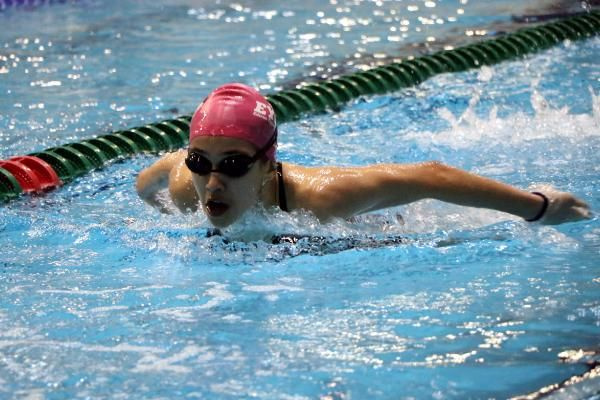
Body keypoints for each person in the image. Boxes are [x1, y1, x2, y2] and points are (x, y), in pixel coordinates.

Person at [136, 83, 591, 228]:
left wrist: (540, 207)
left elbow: (431, 176)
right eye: (200, 161)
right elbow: (145, 184)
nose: (212, 181)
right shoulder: (183, 186)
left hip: (369, 224)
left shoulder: (324, 199)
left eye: (233, 164)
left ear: (267, 162)